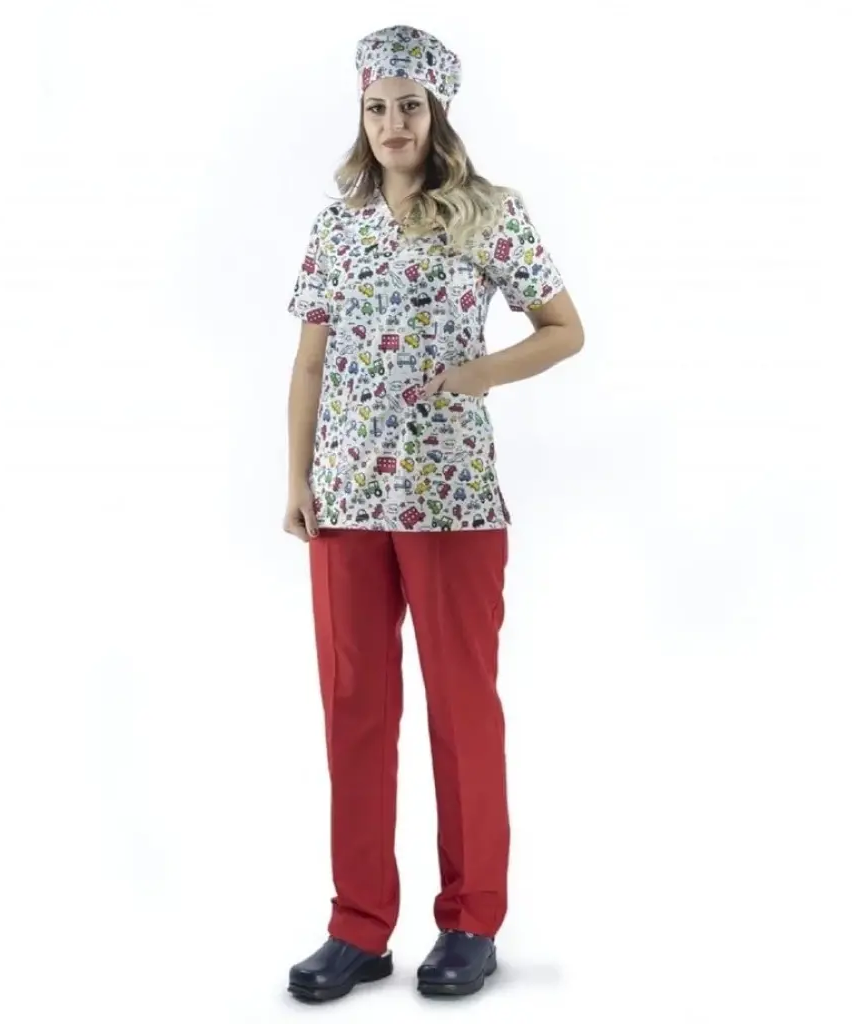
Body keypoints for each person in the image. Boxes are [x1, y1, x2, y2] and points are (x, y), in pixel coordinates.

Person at [282, 24, 584, 1003]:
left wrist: (478, 374)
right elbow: (310, 363)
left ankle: (470, 921)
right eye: (376, 107)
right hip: (347, 498)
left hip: (449, 499)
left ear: (437, 110)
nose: (392, 124)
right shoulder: (337, 228)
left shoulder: (488, 214)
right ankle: (358, 926)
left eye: (408, 106)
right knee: (354, 712)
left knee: (460, 711)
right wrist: (297, 480)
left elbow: (564, 329)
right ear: (361, 114)